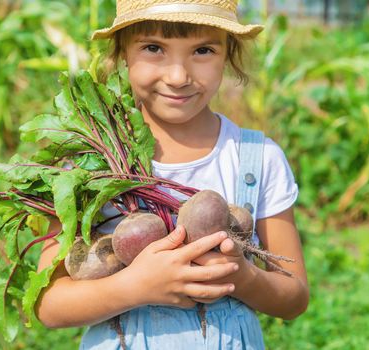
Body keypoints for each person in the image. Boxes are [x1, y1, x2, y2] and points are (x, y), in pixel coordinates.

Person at [35, 1, 309, 349]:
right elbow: (48, 304)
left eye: (203, 50)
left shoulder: (258, 158)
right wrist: (134, 286)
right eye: (153, 48)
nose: (178, 76)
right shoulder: (89, 167)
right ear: (122, 54)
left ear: (228, 55)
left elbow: (294, 297)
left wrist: (242, 276)